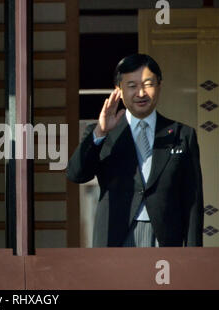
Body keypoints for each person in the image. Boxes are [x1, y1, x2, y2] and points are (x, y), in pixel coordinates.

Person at [67, 53, 203, 247]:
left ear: (159, 86)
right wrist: (101, 131)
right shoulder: (102, 132)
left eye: (148, 84)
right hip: (116, 235)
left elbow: (193, 201)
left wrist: (193, 254)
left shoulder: (183, 134)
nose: (141, 93)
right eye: (132, 86)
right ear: (119, 90)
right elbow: (75, 174)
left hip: (165, 236)